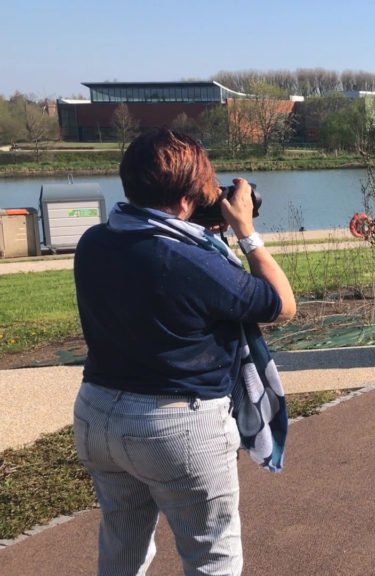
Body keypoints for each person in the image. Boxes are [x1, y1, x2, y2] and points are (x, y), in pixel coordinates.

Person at [72, 128, 296, 575]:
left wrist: (197, 224)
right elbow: (282, 304)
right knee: (212, 557)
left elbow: (153, 251)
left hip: (97, 415)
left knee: (122, 547)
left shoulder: (94, 242)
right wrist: (246, 232)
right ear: (184, 199)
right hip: (174, 426)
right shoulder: (193, 263)